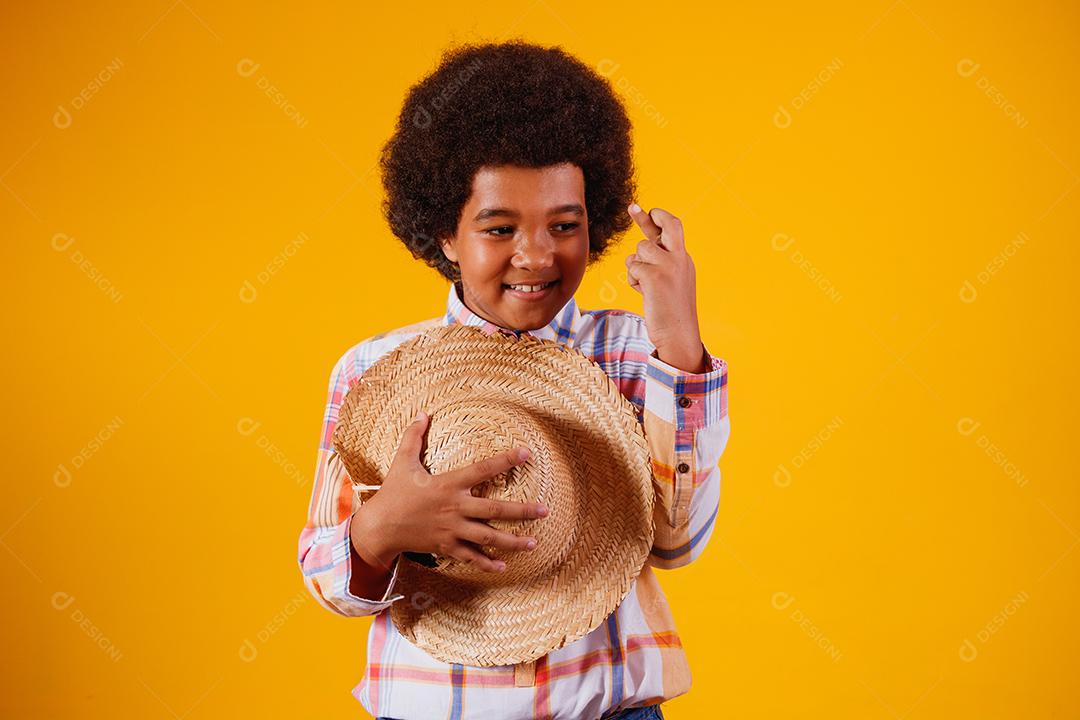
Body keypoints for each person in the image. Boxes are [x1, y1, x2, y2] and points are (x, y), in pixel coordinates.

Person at [297, 39, 731, 720]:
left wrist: (678, 341)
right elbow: (329, 582)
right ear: (444, 233)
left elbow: (678, 543)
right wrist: (381, 527)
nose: (536, 255)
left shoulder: (631, 352)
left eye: (566, 224)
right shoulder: (375, 374)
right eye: (499, 228)